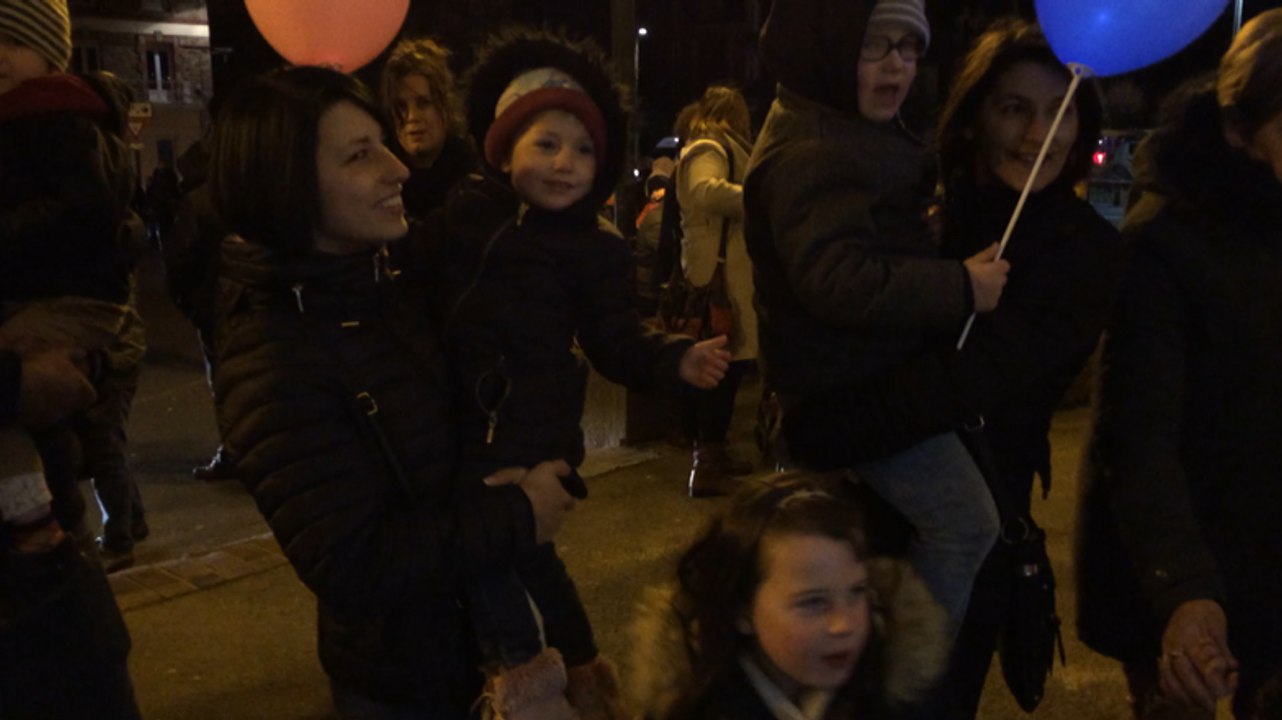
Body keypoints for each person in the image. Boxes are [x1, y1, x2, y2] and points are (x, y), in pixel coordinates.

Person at [207, 65, 578, 718]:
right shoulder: (271, 355)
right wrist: (520, 515)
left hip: (493, 641)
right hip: (407, 685)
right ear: (286, 185)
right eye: (360, 154)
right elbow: (354, 563)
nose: (397, 167)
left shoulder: (388, 280)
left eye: (383, 141)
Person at [778, 19, 1124, 716]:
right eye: (1014, 108)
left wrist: (826, 430)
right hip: (858, 528)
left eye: (1060, 112)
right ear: (973, 118)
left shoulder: (1082, 253)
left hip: (967, 534)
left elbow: (978, 378)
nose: (1039, 134)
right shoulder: (919, 207)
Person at [418, 27, 731, 719]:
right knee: (527, 558)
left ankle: (529, 688)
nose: (566, 162)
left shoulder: (594, 250)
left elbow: (616, 340)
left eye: (584, 149)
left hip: (526, 433)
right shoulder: (466, 214)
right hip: (455, 423)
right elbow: (412, 279)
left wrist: (675, 358)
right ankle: (584, 671)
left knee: (499, 562)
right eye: (547, 144)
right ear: (503, 149)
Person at [743, 0, 1008, 631]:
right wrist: (959, 287)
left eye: (910, 47)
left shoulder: (844, 131)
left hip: (863, 378)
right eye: (875, 47)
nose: (897, 65)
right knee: (968, 523)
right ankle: (905, 676)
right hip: (851, 391)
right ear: (828, 50)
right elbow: (836, 279)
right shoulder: (815, 149)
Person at [1075, 9, 1282, 719]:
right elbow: (1136, 440)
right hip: (1175, 569)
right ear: (1237, 130)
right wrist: (1184, 590)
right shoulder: (1164, 241)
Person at [625, 471, 949, 719]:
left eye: (857, 592)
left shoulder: (893, 689)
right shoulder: (694, 708)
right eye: (812, 602)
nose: (844, 624)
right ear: (742, 609)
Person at [1, 0, 136, 548]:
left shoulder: (56, 117)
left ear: (52, 55)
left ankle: (43, 514)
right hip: (52, 293)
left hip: (68, 299)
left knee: (15, 370)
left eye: (13, 42)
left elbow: (86, 211)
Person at [674, 85, 760, 498]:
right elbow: (705, 191)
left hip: (724, 269)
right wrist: (760, 199)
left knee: (727, 364)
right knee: (721, 366)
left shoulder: (713, 144)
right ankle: (705, 462)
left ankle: (714, 451)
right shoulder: (710, 145)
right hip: (721, 274)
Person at [380, 36, 478, 222]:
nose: (412, 117)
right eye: (401, 107)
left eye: (423, 103)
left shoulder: (473, 180)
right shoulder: (382, 180)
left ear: (445, 104)